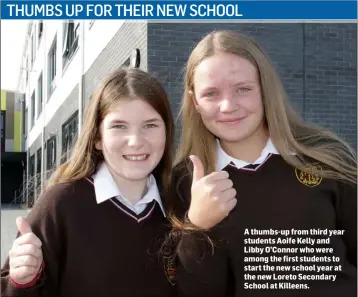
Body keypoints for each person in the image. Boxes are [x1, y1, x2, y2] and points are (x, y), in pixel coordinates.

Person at [168, 30, 357, 297]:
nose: (228, 106)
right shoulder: (184, 182)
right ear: (194, 101)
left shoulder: (325, 155)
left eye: (243, 89)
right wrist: (197, 227)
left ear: (265, 88)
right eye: (211, 93)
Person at [1, 68, 177, 297]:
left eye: (150, 125)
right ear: (96, 138)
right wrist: (22, 281)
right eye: (119, 126)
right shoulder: (61, 204)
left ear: (167, 131)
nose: (136, 141)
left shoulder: (179, 205)